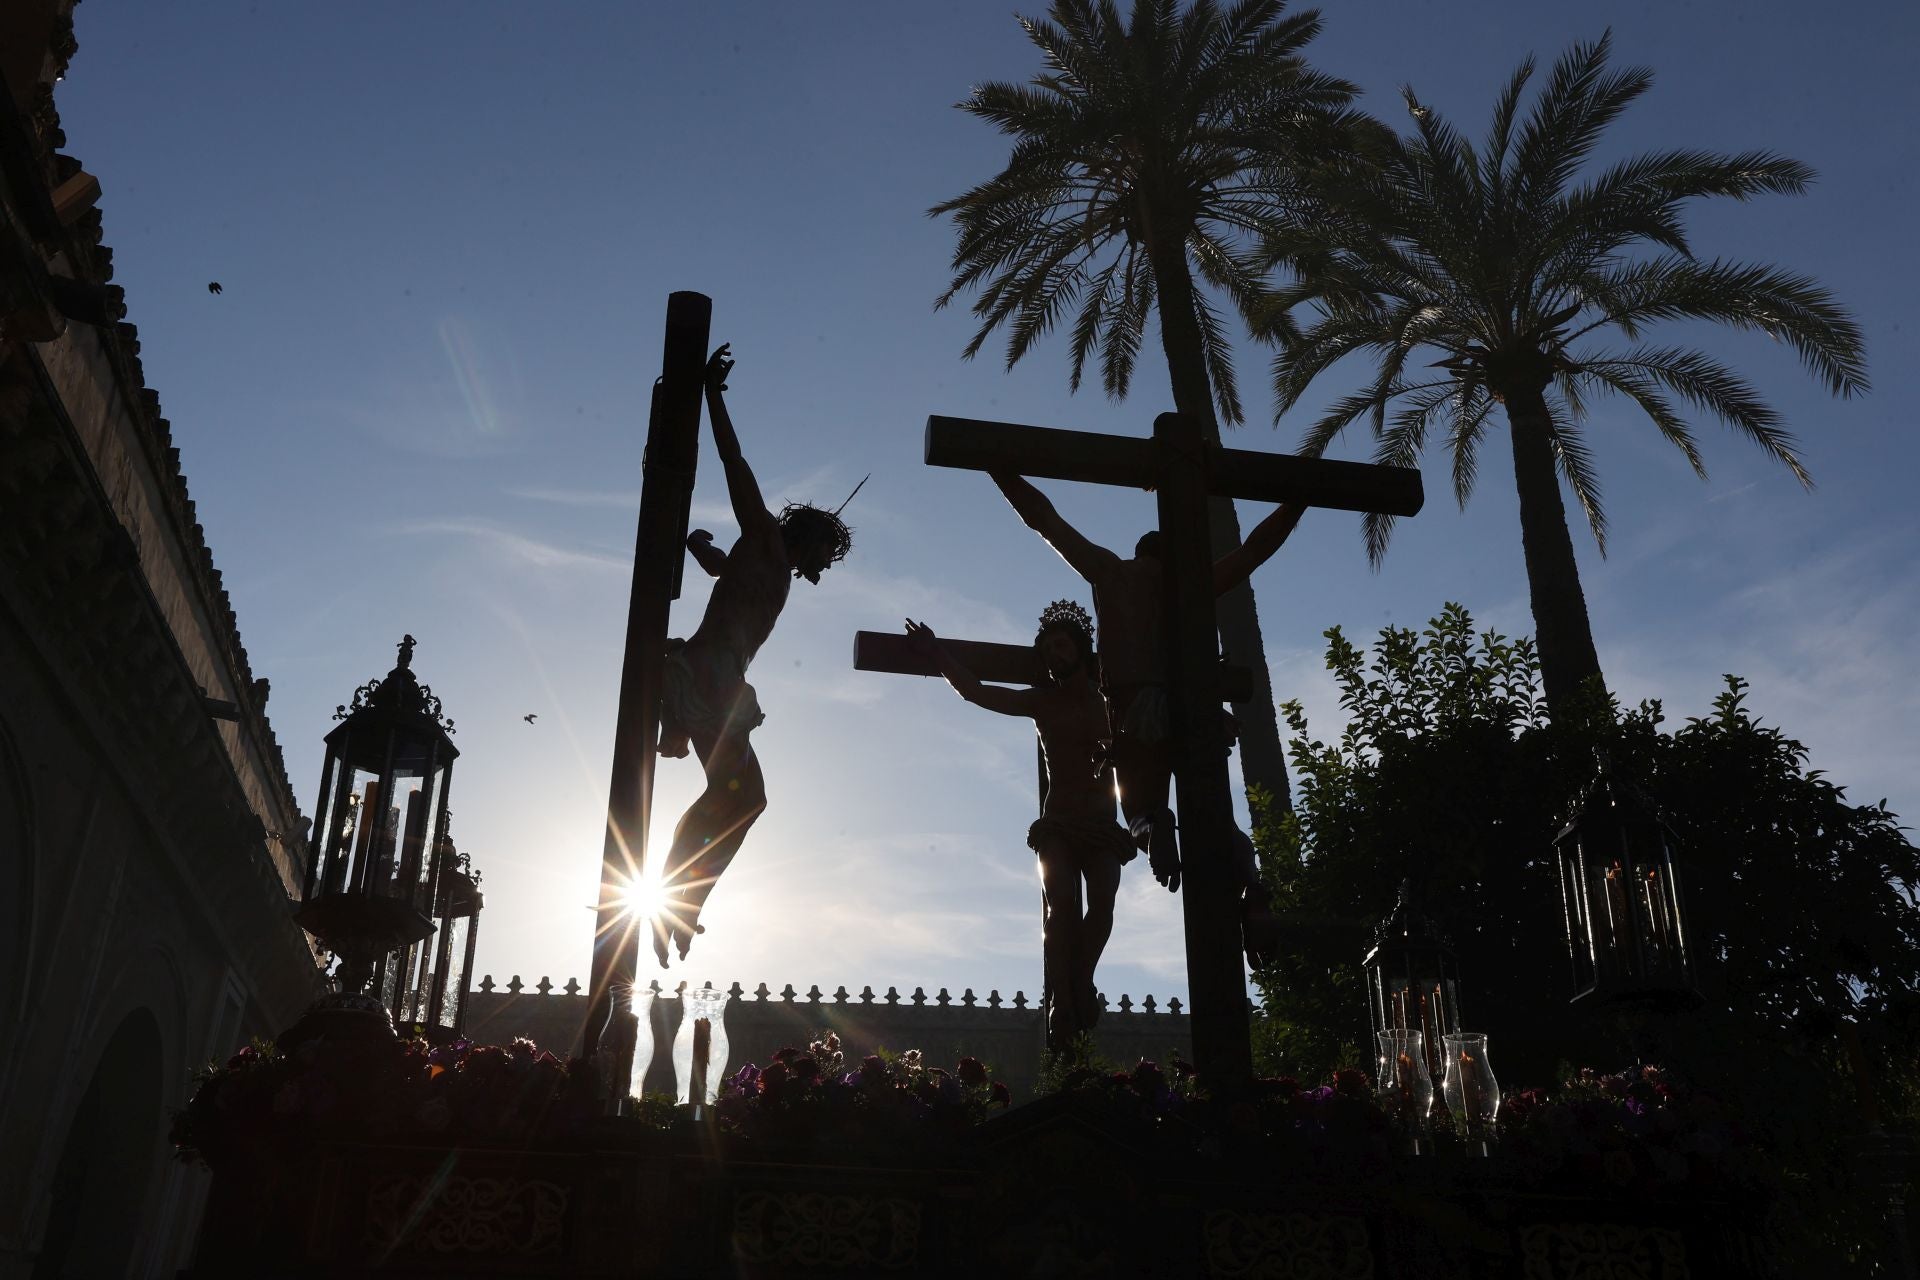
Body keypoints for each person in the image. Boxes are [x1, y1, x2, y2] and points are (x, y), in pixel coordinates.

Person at [989, 473, 1301, 951]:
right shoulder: (1194, 582)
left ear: (1139, 554)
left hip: (1136, 711)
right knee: (1219, 822)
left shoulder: (1112, 573)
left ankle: (1154, 827)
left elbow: (1045, 520)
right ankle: (1252, 885)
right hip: (1195, 710)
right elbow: (1258, 547)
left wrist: (999, 471)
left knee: (1139, 806)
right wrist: (1298, 499)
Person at [651, 344, 851, 967]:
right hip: (711, 674)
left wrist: (703, 550)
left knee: (742, 797)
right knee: (745, 796)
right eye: (826, 553)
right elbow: (734, 464)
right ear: (810, 537)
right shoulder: (765, 536)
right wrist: (713, 394)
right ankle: (675, 893)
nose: (823, 568)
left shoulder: (768, 565)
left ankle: (682, 895)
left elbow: (727, 576)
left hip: (723, 678)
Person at [905, 601, 1130, 1048]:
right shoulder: (1042, 701)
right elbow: (978, 691)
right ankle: (1061, 1003)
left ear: (1082, 650)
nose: (1054, 656)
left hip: (1103, 824)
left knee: (1102, 906)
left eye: (1062, 646)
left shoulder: (1112, 703)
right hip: (1059, 823)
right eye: (1047, 649)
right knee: (1059, 905)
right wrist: (938, 655)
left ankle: (1080, 980)